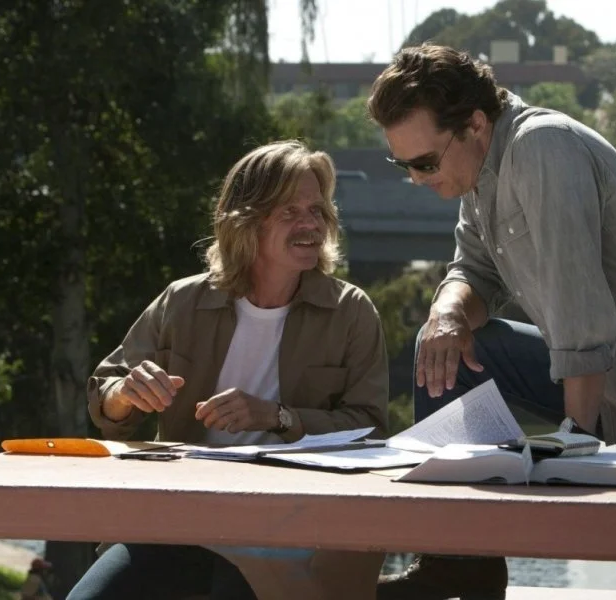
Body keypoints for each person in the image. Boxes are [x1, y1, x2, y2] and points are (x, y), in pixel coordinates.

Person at [367, 43, 616, 600]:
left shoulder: (542, 147)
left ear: (475, 124)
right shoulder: (479, 172)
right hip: (614, 389)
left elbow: (579, 305)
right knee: (447, 344)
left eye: (425, 163)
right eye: (403, 165)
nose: (415, 179)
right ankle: (458, 559)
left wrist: (573, 445)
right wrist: (449, 310)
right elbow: (474, 270)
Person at [68, 140, 389, 600]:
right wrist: (125, 395)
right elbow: (106, 396)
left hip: (290, 525)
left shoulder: (351, 311)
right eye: (291, 211)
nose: (311, 224)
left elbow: (371, 431)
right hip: (179, 516)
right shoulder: (182, 300)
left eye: (317, 210)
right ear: (246, 221)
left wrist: (277, 416)